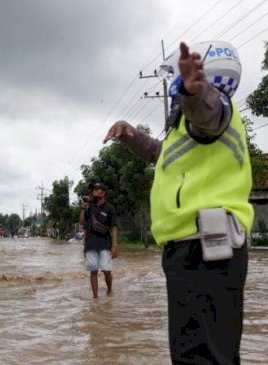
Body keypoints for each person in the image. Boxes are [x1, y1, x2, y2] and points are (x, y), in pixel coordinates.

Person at [104, 41, 253, 364]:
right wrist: (132, 136)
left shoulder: (215, 110)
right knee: (207, 353)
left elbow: (207, 111)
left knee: (198, 356)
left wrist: (193, 92)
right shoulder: (190, 132)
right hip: (198, 247)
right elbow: (163, 155)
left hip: (204, 246)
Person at [80, 183, 118, 299]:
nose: (93, 192)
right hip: (91, 242)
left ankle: (109, 289)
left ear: (103, 193)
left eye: (96, 190)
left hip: (105, 243)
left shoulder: (110, 208)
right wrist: (83, 208)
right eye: (92, 190)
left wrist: (115, 245)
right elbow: (82, 223)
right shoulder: (89, 207)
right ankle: (95, 297)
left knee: (106, 269)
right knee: (93, 269)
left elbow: (114, 227)